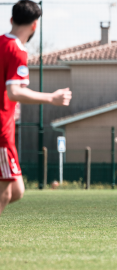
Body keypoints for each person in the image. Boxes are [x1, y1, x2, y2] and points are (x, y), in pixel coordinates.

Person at [0, 0, 72, 216]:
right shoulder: (17, 51)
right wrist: (52, 98)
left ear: (11, 20)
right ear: (35, 26)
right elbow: (14, 92)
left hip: (7, 128)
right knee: (5, 192)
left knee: (17, 191)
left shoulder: (2, 42)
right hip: (2, 128)